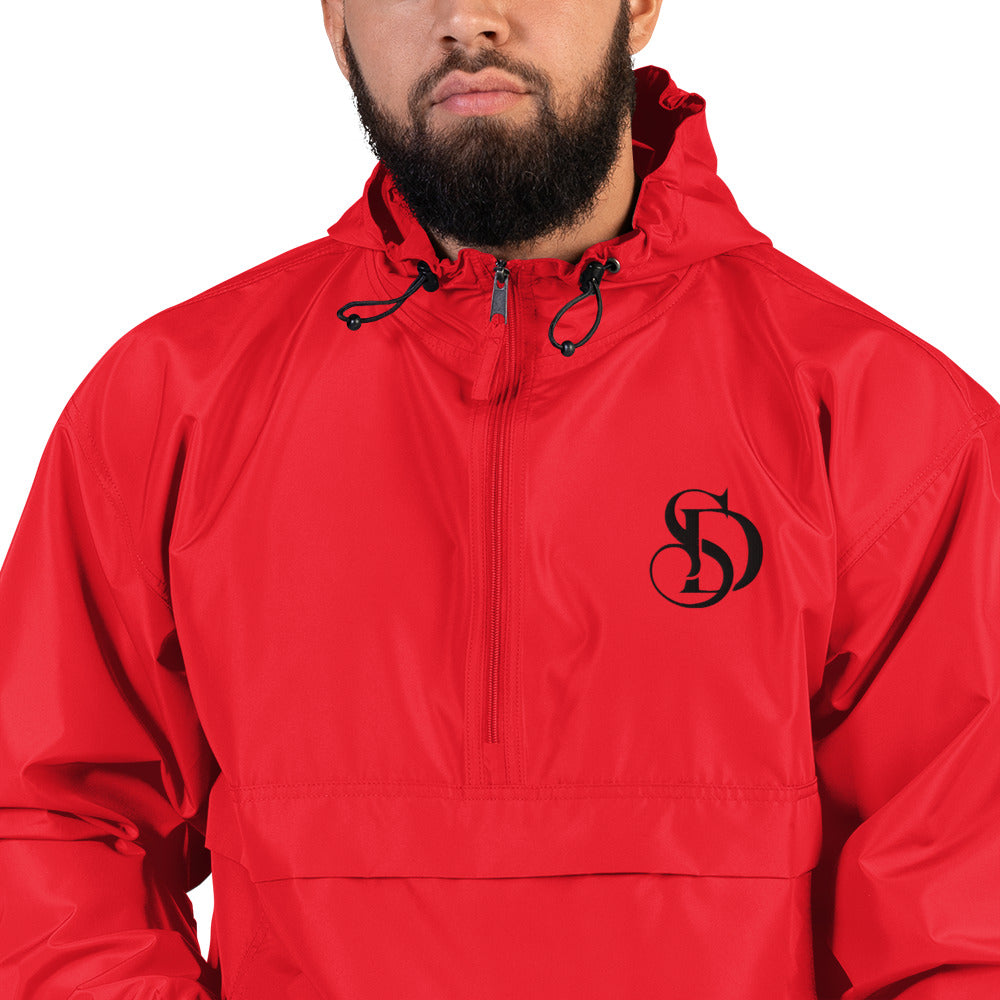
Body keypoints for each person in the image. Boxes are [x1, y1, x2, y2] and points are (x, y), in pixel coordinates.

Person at [1, 1, 997, 997]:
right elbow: (49, 823)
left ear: (639, 5)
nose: (468, 19)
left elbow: (966, 909)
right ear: (337, 23)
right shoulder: (171, 403)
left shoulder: (884, 421)